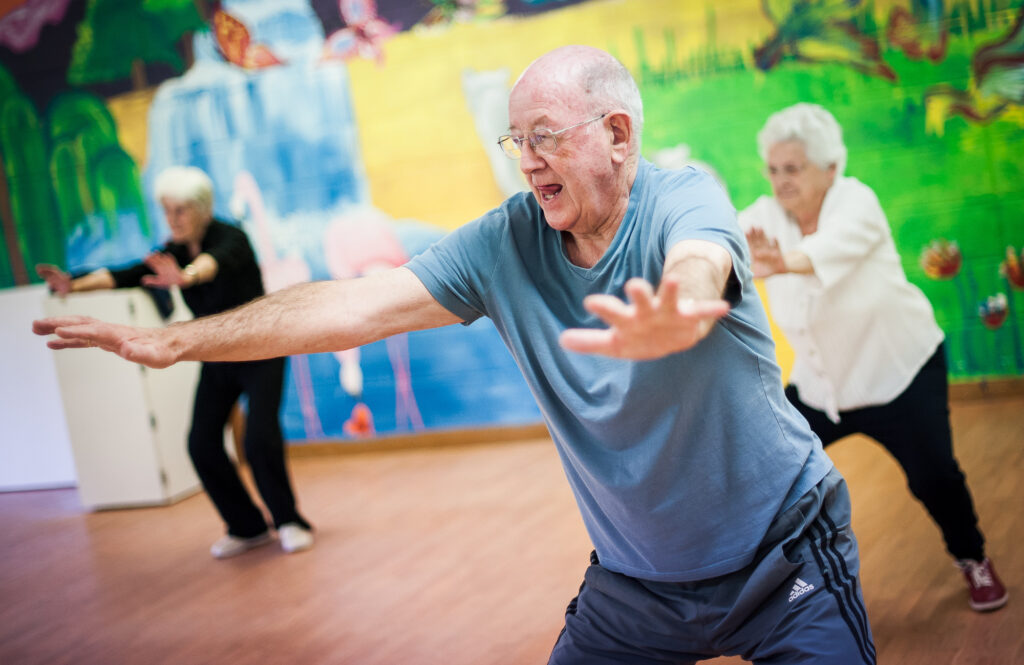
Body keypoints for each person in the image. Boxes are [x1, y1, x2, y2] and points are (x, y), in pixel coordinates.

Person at [36, 48, 876, 664]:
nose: (528, 162)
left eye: (543, 136)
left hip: (783, 559)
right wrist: (177, 339)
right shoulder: (507, 241)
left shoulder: (683, 197)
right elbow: (350, 305)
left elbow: (701, 265)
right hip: (638, 588)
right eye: (518, 142)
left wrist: (680, 312)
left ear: (617, 133)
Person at [738, 103, 1007, 613]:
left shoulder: (855, 200)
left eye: (793, 169)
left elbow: (825, 251)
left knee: (934, 478)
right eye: (773, 169)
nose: (781, 181)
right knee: (772, 475)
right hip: (822, 386)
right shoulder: (764, 216)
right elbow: (724, 241)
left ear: (829, 168)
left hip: (899, 373)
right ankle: (791, 584)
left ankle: (972, 557)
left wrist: (782, 261)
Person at [36, 166, 314, 560]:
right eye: (167, 211)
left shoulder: (230, 237)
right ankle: (247, 527)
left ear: (202, 209)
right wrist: (72, 284)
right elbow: (122, 275)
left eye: (180, 210)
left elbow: (213, 264)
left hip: (262, 349)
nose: (172, 219)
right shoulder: (173, 251)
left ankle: (290, 522)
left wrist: (184, 277)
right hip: (217, 355)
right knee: (201, 443)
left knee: (259, 438)